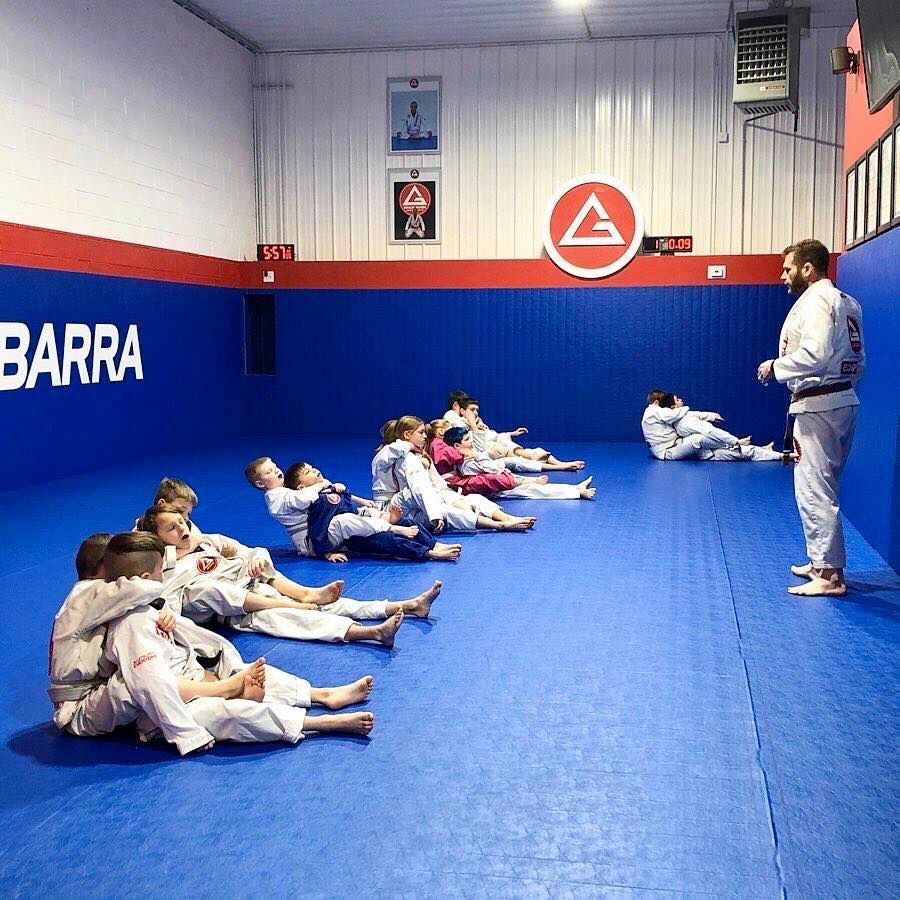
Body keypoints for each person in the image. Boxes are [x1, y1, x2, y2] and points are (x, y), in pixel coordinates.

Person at [50, 533, 376, 754]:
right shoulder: (87, 595)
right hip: (83, 705)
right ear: (103, 571)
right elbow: (140, 591)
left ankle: (318, 695)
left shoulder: (112, 601)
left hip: (113, 689)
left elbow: (143, 595)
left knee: (200, 645)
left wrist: (166, 615)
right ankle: (302, 719)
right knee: (145, 678)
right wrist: (186, 735)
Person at [136, 504, 415, 646]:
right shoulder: (166, 566)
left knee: (322, 601)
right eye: (171, 528)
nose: (182, 529)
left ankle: (398, 606)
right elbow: (166, 601)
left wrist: (257, 558)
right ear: (157, 539)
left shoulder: (208, 540)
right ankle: (370, 633)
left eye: (182, 522)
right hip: (232, 609)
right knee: (292, 617)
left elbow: (251, 550)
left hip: (255, 585)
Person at [757, 239, 865, 597]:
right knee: (822, 484)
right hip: (839, 398)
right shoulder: (848, 302)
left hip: (821, 405)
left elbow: (815, 355)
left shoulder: (818, 300)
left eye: (788, 269)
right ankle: (820, 561)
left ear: (808, 268)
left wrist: (776, 366)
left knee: (814, 487)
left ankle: (831, 575)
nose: (782, 276)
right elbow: (854, 362)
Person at [246, 456, 461, 562]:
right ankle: (405, 537)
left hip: (329, 534)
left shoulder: (292, 491)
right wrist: (321, 485)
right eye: (269, 472)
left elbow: (339, 496)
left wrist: (362, 501)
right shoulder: (277, 499)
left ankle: (433, 542)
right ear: (260, 484)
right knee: (347, 522)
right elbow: (303, 500)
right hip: (316, 542)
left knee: (404, 521)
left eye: (275, 468)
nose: (276, 472)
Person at [372, 417, 537, 533]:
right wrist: (435, 515)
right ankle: (499, 525)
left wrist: (451, 497)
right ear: (404, 436)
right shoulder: (393, 455)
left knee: (473, 499)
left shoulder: (416, 455)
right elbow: (419, 489)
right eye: (420, 433)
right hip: (394, 508)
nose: (424, 437)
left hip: (416, 502)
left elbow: (433, 486)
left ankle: (506, 518)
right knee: (446, 511)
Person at [431, 422, 596, 500]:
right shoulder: (467, 461)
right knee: (534, 491)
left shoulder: (467, 456)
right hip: (493, 488)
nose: (471, 442)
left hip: (498, 483)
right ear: (458, 444)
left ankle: (575, 489)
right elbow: (494, 470)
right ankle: (576, 491)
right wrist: (486, 456)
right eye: (468, 439)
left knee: (534, 489)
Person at [641, 391, 785, 461]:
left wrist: (710, 415)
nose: (681, 401)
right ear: (657, 402)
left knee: (733, 451)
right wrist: (734, 440)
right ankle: (737, 443)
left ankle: (763, 451)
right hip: (669, 451)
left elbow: (694, 414)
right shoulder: (655, 412)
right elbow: (677, 414)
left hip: (682, 447)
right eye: (677, 400)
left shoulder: (668, 416)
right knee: (699, 439)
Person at [457, 397, 585, 471]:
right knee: (519, 461)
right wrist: (474, 427)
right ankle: (561, 467)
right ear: (462, 411)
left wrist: (513, 433)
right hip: (485, 459)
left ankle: (561, 463)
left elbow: (494, 436)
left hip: (499, 451)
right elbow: (478, 448)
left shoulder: (479, 423)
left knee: (539, 451)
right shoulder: (458, 425)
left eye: (476, 410)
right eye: (471, 410)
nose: (475, 413)